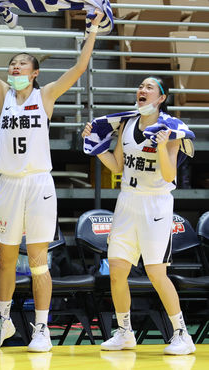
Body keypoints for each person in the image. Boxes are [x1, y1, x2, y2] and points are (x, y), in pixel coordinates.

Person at [0, 5, 104, 352]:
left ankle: (42, 328)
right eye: (11, 64)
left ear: (35, 72)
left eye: (21, 64)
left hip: (39, 184)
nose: (14, 68)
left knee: (38, 261)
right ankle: (3, 322)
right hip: (9, 183)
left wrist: (91, 31)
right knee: (5, 260)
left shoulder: (44, 96)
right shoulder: (3, 96)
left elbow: (78, 67)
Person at [82, 77, 196, 355]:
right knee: (117, 271)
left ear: (161, 98)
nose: (142, 91)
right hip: (127, 202)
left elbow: (170, 175)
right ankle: (124, 332)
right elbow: (118, 164)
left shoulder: (170, 130)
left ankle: (182, 334)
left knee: (156, 272)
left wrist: (161, 144)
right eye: (140, 87)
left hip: (155, 204)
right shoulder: (127, 124)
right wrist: (95, 146)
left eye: (149, 88)